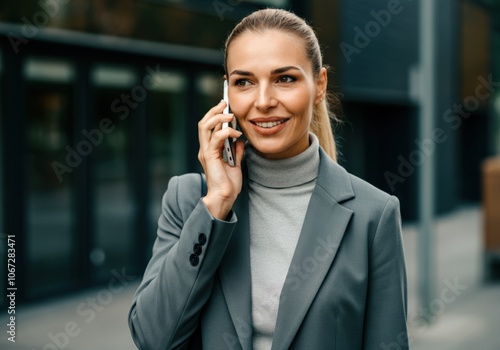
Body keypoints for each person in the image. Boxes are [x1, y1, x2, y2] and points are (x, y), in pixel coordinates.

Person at [128, 8, 408, 350]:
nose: (263, 101)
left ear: (319, 85)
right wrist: (217, 204)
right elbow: (152, 339)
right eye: (243, 82)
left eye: (285, 78)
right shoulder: (189, 199)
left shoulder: (373, 215)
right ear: (226, 95)